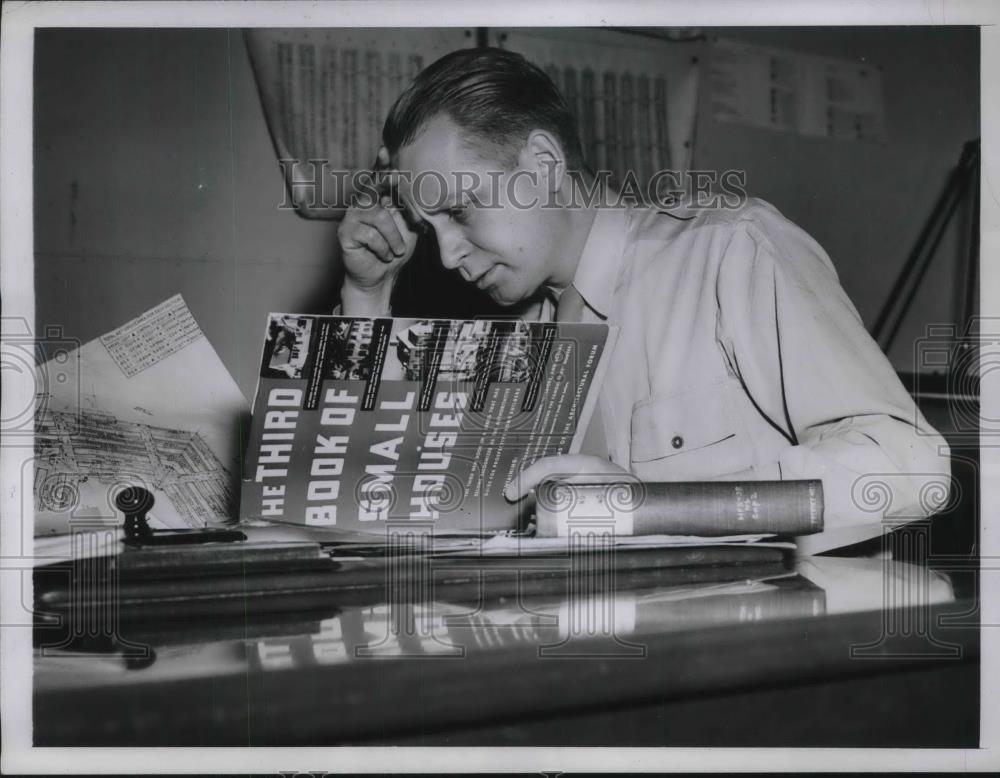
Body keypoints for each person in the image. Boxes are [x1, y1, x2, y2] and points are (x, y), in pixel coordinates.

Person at [336, 47, 950, 549]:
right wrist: (367, 294)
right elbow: (378, 487)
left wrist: (652, 507)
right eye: (428, 228)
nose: (445, 256)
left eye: (460, 212)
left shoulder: (730, 252)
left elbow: (912, 467)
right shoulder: (513, 322)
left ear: (544, 163)